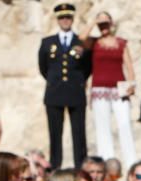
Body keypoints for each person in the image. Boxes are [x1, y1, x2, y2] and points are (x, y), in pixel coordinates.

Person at [38, 3, 91, 169]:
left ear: (73, 18)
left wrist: (79, 81)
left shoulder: (81, 41)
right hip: (55, 92)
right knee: (55, 133)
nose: (65, 20)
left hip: (75, 91)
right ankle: (55, 166)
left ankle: (80, 166)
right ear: (57, 20)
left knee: (79, 133)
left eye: (68, 17)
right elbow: (43, 67)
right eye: (62, 17)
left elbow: (88, 67)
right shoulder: (48, 42)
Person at [82, 11, 137, 166]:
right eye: (101, 24)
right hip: (99, 90)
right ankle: (106, 164)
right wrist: (94, 21)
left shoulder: (121, 42)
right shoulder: (94, 42)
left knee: (125, 124)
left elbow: (129, 66)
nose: (104, 27)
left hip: (119, 89)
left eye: (106, 23)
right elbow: (80, 39)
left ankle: (131, 163)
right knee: (102, 128)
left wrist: (132, 84)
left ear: (112, 24)